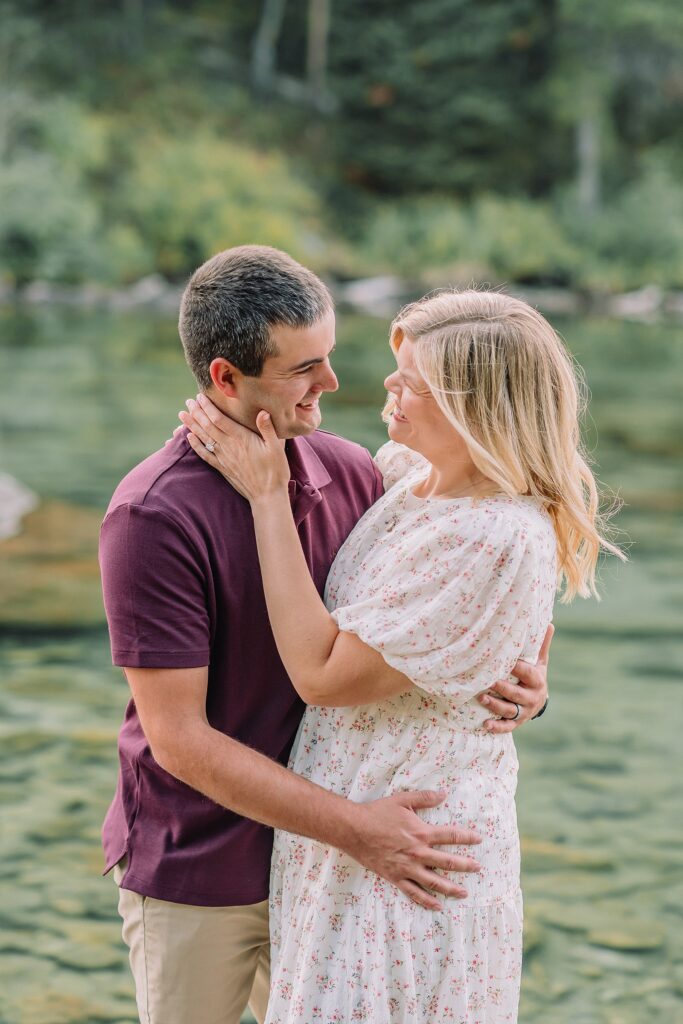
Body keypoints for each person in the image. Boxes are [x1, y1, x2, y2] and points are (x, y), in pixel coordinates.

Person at [99, 248, 550, 1024]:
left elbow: (454, 594)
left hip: (332, 868)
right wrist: (359, 831)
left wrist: (523, 680)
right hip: (204, 865)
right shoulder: (154, 517)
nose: (334, 384)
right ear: (226, 379)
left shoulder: (356, 473)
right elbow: (179, 740)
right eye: (304, 369)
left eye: (330, 356)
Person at [181, 286, 621, 1023]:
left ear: (476, 410)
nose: (386, 384)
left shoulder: (489, 535)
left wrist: (267, 496)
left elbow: (321, 675)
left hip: (412, 852)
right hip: (355, 839)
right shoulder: (412, 477)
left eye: (411, 381)